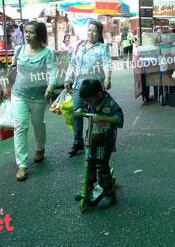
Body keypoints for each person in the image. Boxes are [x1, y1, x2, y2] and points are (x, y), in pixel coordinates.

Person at [10, 21, 57, 181]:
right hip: (18, 94)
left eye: (31, 32)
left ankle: (40, 148)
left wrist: (51, 85)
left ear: (40, 34)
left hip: (38, 96)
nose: (27, 35)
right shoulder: (19, 50)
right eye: (26, 32)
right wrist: (5, 84)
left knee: (38, 124)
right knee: (20, 127)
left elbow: (52, 70)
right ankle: (22, 165)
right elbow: (13, 69)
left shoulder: (47, 53)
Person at [63, 20, 112, 157]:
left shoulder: (102, 48)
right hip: (79, 86)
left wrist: (108, 78)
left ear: (99, 33)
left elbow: (107, 64)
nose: (91, 33)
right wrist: (68, 78)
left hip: (95, 88)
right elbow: (72, 63)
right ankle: (77, 142)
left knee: (94, 115)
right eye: (89, 30)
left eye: (94, 31)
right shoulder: (79, 46)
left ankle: (95, 140)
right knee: (76, 112)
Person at [73, 79, 123, 209]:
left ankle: (109, 194)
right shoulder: (90, 101)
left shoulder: (110, 104)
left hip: (105, 141)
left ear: (99, 94)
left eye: (90, 100)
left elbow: (119, 119)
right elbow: (83, 107)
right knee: (89, 163)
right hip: (92, 137)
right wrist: (79, 110)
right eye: (86, 101)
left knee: (101, 166)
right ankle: (87, 188)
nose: (88, 103)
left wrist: (104, 118)